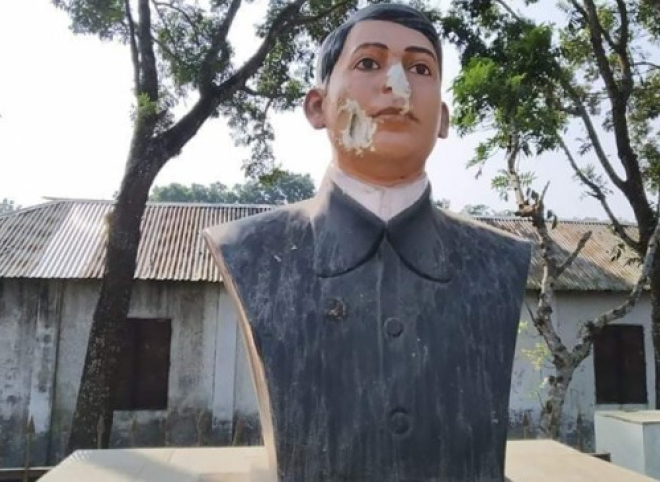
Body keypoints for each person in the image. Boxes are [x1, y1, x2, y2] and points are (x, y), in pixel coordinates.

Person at [203, 4, 531, 481]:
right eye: (369, 63)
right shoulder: (249, 249)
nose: (397, 86)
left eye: (420, 69)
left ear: (441, 117)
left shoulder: (501, 260)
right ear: (318, 105)